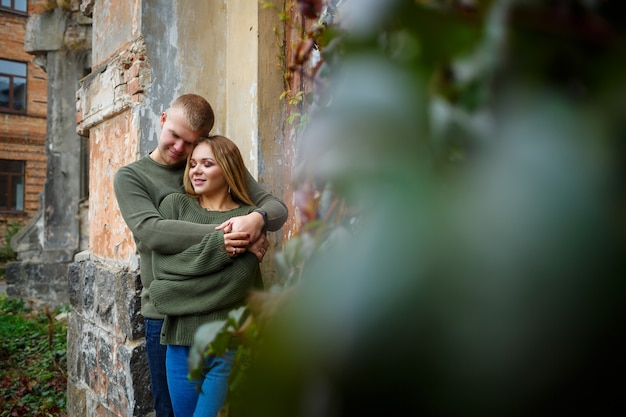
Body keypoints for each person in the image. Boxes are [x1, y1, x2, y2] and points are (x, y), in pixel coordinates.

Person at [113, 94, 288, 417]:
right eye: (174, 136)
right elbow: (152, 231)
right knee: (169, 410)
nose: (181, 150)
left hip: (221, 316)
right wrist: (231, 235)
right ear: (163, 119)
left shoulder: (207, 160)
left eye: (190, 143)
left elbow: (275, 208)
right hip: (166, 314)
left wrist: (256, 220)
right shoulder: (133, 176)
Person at [150, 135, 268, 417]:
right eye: (192, 164)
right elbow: (161, 279)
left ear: (227, 169)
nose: (196, 171)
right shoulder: (174, 207)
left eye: (207, 164)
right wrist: (220, 249)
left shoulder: (248, 219)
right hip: (180, 348)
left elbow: (237, 286)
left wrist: (183, 289)